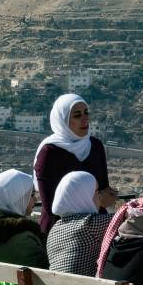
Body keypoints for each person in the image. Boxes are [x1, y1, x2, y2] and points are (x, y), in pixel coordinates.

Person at [48, 171, 143, 277]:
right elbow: (140, 212)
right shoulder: (89, 224)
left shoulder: (55, 229)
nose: (99, 197)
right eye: (95, 193)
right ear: (82, 197)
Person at [33, 93, 117, 233]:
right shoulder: (49, 152)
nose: (85, 119)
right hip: (60, 230)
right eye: (77, 115)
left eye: (86, 113)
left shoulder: (95, 145)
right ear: (63, 120)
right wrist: (97, 201)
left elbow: (104, 188)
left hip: (95, 228)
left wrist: (105, 197)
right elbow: (51, 206)